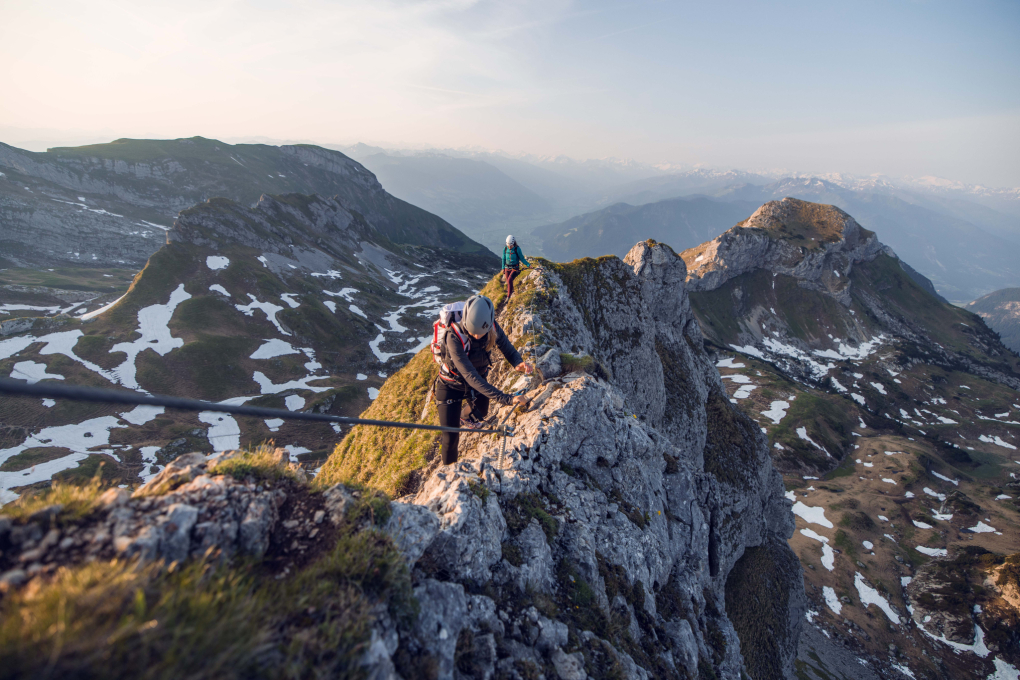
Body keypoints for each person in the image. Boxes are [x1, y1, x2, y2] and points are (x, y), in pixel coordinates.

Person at [435, 294, 531, 465]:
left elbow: (507, 348)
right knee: (450, 439)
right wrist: (507, 399)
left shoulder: (492, 326)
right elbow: (470, 375)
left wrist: (518, 362)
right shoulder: (453, 336)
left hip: (476, 382)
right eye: (473, 332)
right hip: (450, 386)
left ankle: (464, 416)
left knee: (482, 412)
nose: (477, 337)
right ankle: (449, 476)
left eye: (481, 333)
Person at [502, 235, 530, 301]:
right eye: (508, 245)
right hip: (507, 267)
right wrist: (503, 268)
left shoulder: (517, 249)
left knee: (509, 280)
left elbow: (522, 258)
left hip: (515, 268)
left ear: (513, 243)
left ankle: (508, 297)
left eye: (510, 245)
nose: (509, 247)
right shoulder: (505, 249)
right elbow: (503, 258)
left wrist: (528, 265)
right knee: (508, 281)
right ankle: (510, 292)